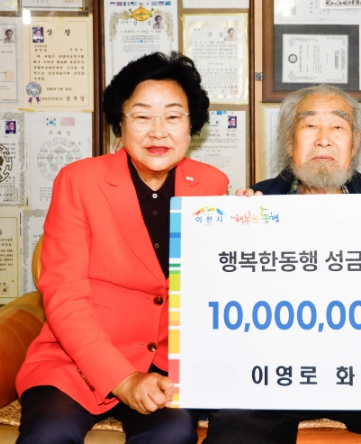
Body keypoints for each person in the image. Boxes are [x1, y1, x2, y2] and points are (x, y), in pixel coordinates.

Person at [204, 84, 361, 444]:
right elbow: (221, 302)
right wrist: (231, 235)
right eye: (310, 125)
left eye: (338, 126)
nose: (324, 139)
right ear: (289, 143)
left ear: (354, 144)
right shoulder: (253, 206)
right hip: (274, 374)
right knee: (234, 427)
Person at [15, 52, 229, 444]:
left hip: (163, 368)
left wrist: (250, 225)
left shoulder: (212, 184)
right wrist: (122, 378)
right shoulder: (79, 181)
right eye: (142, 116)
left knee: (172, 433)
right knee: (49, 432)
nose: (158, 132)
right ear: (121, 122)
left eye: (173, 116)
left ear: (191, 125)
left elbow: (217, 284)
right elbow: (64, 294)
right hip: (75, 362)